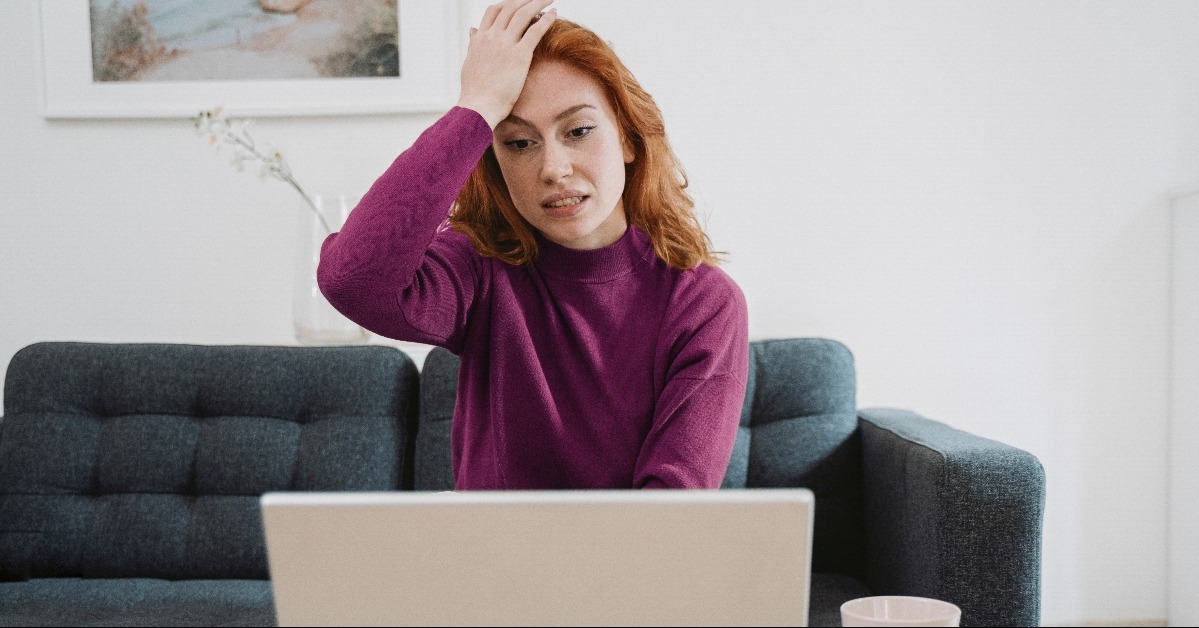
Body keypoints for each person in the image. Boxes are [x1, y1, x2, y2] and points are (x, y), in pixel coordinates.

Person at [318, 0, 748, 489]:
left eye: (579, 131)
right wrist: (475, 109)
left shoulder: (703, 303)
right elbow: (351, 280)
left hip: (627, 563)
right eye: (519, 143)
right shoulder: (479, 268)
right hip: (487, 561)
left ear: (629, 139)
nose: (553, 169)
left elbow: (672, 506)